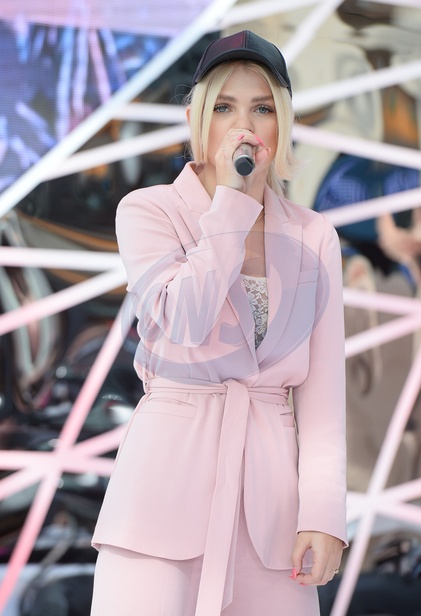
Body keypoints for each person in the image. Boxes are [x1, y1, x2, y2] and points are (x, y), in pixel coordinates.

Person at [90, 30, 347, 616]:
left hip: (272, 516)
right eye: (225, 108)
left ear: (283, 123)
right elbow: (182, 319)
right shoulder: (149, 211)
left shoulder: (314, 235)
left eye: (263, 109)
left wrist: (324, 515)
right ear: (196, 120)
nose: (244, 127)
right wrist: (233, 204)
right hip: (161, 503)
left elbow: (324, 403)